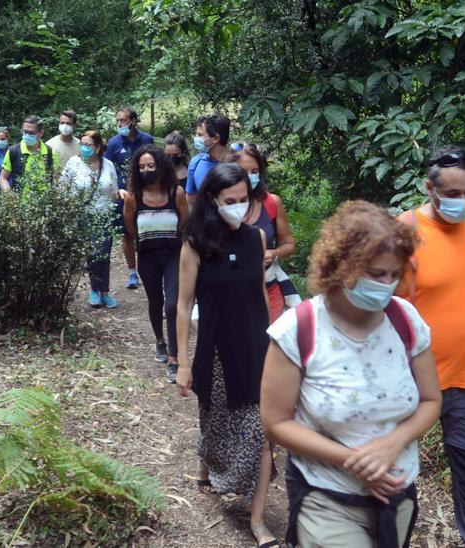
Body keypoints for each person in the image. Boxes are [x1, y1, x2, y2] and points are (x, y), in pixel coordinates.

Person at [261, 201, 441, 548]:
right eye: (375, 274)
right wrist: (355, 461)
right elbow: (275, 422)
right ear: (341, 266)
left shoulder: (405, 320)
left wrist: (392, 444)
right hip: (326, 494)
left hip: (397, 493)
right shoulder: (298, 329)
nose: (386, 285)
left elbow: (432, 400)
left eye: (394, 274)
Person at [395, 145, 465, 548]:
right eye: (453, 194)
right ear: (430, 188)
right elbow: (387, 304)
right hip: (412, 380)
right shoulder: (405, 230)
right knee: (397, 470)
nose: (463, 201)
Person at [174, 163, 277, 548]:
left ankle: (258, 520)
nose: (237, 206)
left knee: (263, 434)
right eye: (228, 201)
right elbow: (183, 305)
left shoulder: (255, 240)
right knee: (213, 421)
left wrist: (273, 346)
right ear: (213, 201)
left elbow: (261, 298)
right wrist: (182, 362)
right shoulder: (197, 243)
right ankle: (205, 465)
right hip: (214, 352)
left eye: (243, 199)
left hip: (254, 348)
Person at [123, 145, 190, 383]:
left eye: (151, 165)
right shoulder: (134, 197)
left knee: (172, 305)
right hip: (148, 256)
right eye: (141, 167)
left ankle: (174, 357)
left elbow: (185, 221)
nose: (147, 170)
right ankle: (159, 341)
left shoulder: (176, 193)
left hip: (173, 254)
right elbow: (130, 228)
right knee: (156, 301)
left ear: (160, 165)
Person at [232, 142, 300, 323]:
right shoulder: (221, 205)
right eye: (244, 171)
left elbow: (289, 244)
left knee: (268, 342)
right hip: (232, 288)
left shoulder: (271, 202)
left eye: (255, 172)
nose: (250, 177)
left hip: (269, 285)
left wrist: (274, 253)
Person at [60, 131, 121, 309]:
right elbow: (63, 187)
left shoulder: (108, 164)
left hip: (104, 215)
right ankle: (94, 290)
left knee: (105, 253)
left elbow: (114, 189)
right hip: (82, 216)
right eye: (83, 144)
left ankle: (105, 291)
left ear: (98, 147)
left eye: (89, 145)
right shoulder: (74, 163)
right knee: (93, 254)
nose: (84, 148)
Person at [105, 107, 154, 290]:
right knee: (127, 234)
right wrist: (118, 190)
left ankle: (148, 269)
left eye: (123, 120)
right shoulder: (113, 143)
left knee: (145, 233)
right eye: (117, 120)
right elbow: (108, 169)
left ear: (133, 120)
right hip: (123, 196)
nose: (119, 124)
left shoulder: (146, 140)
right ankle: (132, 272)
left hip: (145, 194)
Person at [0, 115, 56, 191]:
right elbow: (3, 178)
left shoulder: (50, 153)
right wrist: (9, 195)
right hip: (18, 201)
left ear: (41, 133)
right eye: (25, 132)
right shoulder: (13, 151)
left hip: (44, 201)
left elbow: (56, 179)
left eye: (31, 133)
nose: (27, 135)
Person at [186, 113, 231, 197]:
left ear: (215, 138)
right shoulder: (196, 163)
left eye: (200, 135)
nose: (195, 138)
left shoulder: (239, 163)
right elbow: (191, 200)